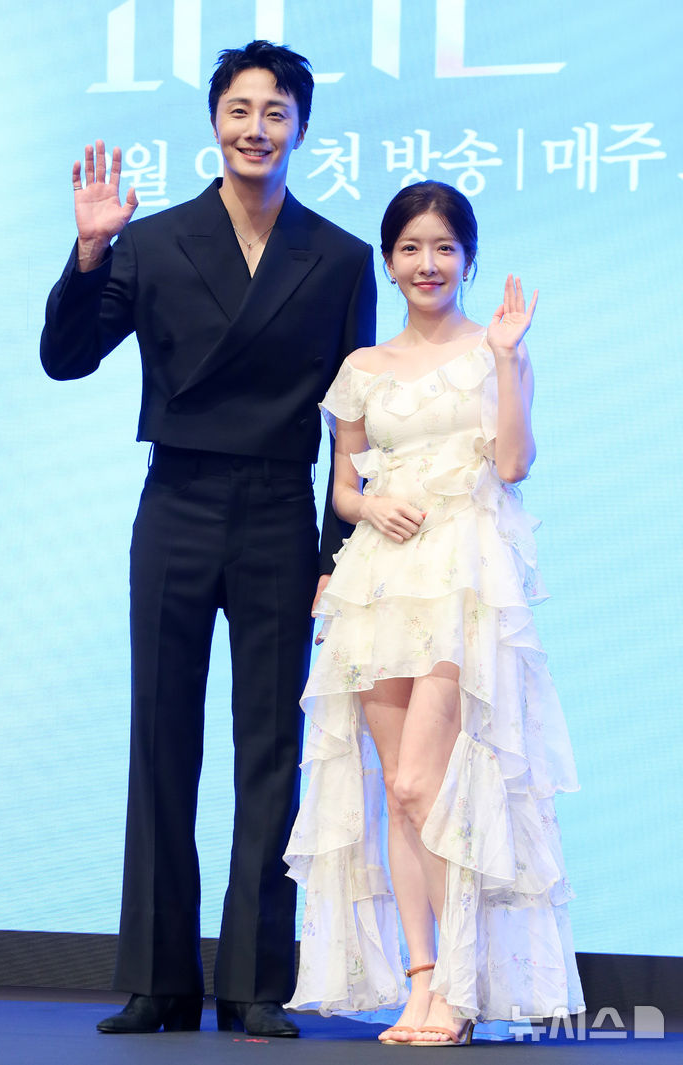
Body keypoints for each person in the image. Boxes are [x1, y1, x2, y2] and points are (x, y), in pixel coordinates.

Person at [40, 41, 375, 1037]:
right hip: (177, 503)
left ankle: (256, 982)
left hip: (277, 513)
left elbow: (354, 426)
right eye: (239, 109)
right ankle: (159, 978)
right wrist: (90, 253)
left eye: (275, 113)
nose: (255, 128)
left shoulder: (339, 256)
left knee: (271, 747)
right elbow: (66, 358)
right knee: (161, 737)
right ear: (215, 121)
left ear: (301, 129)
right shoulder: (150, 240)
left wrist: (338, 555)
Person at [284, 181, 585, 1045]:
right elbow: (344, 487)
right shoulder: (362, 368)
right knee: (398, 794)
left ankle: (456, 981)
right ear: (389, 261)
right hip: (378, 585)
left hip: (460, 582)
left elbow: (515, 463)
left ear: (468, 259)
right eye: (411, 248)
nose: (428, 263)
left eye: (444, 248)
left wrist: (507, 360)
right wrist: (369, 506)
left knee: (427, 783)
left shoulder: (496, 352)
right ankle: (421, 984)